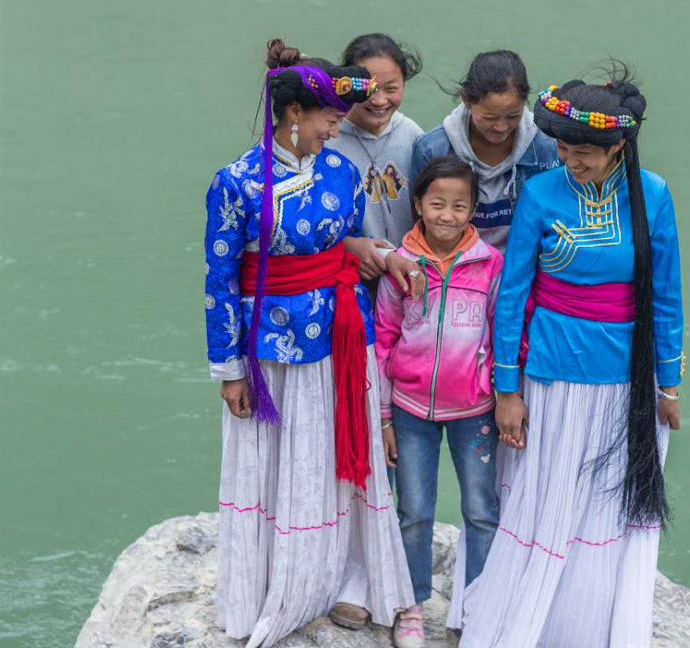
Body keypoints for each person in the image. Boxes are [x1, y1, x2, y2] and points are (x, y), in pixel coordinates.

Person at [458, 67, 684, 648]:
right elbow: (512, 296)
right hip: (551, 375)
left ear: (618, 148)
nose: (569, 160)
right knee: (545, 502)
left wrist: (668, 385)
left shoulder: (653, 195)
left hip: (623, 381)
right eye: (562, 148)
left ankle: (585, 628)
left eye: (583, 152)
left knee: (604, 509)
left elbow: (665, 296)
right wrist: (507, 390)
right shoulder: (541, 193)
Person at [204, 39, 415, 648]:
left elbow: (344, 240)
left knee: (331, 461)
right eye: (329, 118)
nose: (336, 128)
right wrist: (230, 369)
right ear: (294, 113)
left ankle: (340, 576)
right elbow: (220, 279)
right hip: (270, 349)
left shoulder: (340, 171)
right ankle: (276, 583)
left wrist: (378, 252)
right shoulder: (236, 183)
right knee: (275, 466)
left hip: (341, 337)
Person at [375, 156, 503, 648]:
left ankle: (478, 605)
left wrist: (499, 390)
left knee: (481, 510)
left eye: (459, 205)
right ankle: (411, 605)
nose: (447, 215)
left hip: (475, 409)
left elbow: (503, 330)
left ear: (473, 210)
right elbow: (383, 339)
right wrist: (384, 417)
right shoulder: (400, 266)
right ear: (418, 204)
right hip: (409, 409)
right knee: (414, 510)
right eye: (437, 204)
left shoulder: (489, 265)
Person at [410, 50, 560, 253]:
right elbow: (419, 226)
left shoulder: (548, 146)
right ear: (466, 99)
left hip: (525, 266)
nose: (501, 127)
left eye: (513, 116)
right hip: (454, 268)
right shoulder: (431, 150)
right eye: (489, 117)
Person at [330, 33, 425, 291]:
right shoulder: (328, 140)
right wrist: (349, 246)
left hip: (409, 280)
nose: (379, 100)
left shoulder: (414, 137)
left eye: (391, 89)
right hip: (351, 285)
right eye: (368, 89)